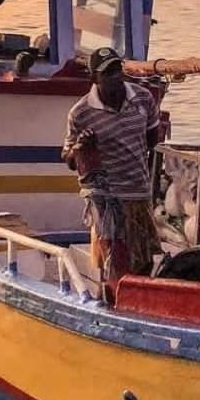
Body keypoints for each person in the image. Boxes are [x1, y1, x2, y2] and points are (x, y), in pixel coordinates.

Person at [62, 47, 161, 301]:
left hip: (137, 189)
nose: (116, 76)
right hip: (103, 193)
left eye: (118, 69)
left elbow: (152, 138)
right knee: (113, 255)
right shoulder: (80, 112)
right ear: (95, 78)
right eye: (108, 73)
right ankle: (111, 301)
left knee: (142, 258)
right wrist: (80, 148)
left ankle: (137, 300)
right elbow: (68, 159)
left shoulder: (143, 98)